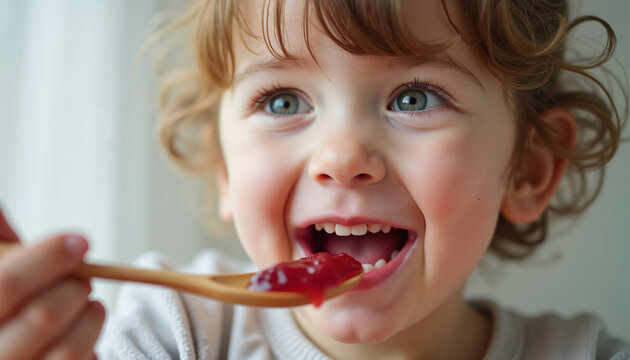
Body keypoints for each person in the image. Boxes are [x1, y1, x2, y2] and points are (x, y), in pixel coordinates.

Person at [0, 0, 628, 359]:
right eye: (280, 101)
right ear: (224, 166)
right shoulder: (176, 335)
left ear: (529, 170)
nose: (341, 156)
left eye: (413, 98)